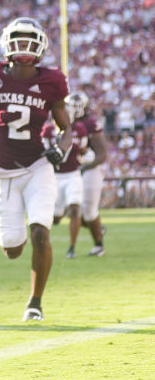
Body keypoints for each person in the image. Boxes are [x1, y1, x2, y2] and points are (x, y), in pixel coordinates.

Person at [0, 17, 72, 322]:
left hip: (38, 166)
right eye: (18, 39)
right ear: (7, 44)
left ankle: (35, 303)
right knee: (12, 248)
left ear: (41, 46)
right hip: (4, 173)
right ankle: (17, 235)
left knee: (40, 232)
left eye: (30, 40)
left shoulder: (51, 80)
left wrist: (61, 149)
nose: (24, 46)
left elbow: (66, 128)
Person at [43, 95, 90, 258]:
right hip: (55, 177)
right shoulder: (48, 131)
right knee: (55, 217)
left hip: (73, 175)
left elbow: (83, 150)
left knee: (75, 208)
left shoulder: (79, 129)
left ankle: (72, 247)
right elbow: (44, 154)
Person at [73, 91, 109, 256]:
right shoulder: (66, 122)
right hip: (75, 171)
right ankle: (98, 227)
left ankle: (99, 245)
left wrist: (85, 167)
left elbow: (101, 153)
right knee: (71, 209)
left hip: (91, 169)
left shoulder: (90, 123)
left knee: (88, 210)